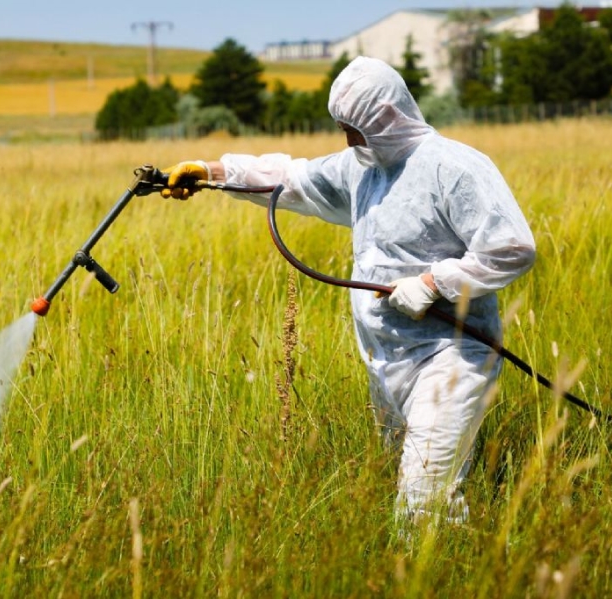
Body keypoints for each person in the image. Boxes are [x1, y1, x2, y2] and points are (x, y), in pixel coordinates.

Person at [163, 56, 536, 525]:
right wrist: (211, 171)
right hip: (386, 360)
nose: (348, 140)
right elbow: (291, 180)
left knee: (423, 500)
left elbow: (511, 248)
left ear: (385, 116)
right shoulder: (362, 167)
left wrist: (432, 284)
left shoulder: (455, 168)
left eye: (354, 129)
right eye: (344, 129)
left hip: (452, 356)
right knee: (405, 485)